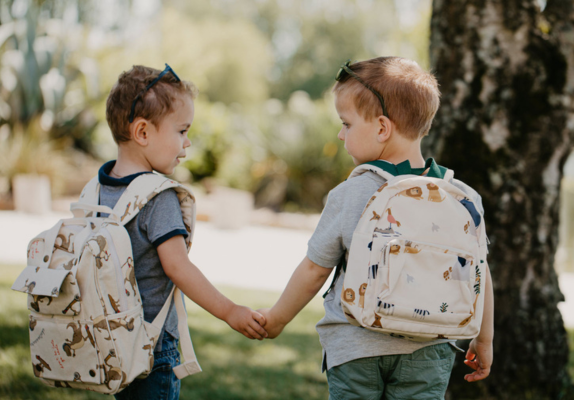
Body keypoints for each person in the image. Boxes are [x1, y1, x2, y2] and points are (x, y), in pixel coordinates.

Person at [258, 57, 494, 399]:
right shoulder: (465, 198)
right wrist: (483, 337)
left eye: (346, 124)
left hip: (356, 347)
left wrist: (277, 319)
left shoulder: (352, 193)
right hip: (428, 350)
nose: (340, 134)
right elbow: (479, 271)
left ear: (382, 128)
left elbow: (314, 269)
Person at [99, 64, 267, 400]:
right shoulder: (158, 196)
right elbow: (178, 267)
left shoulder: (97, 190)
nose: (187, 142)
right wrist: (230, 312)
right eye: (181, 130)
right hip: (152, 346)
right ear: (143, 132)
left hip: (109, 339)